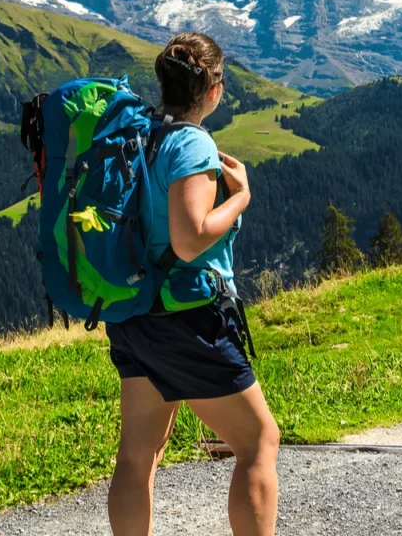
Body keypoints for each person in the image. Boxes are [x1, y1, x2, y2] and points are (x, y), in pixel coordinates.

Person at [105, 32, 280, 536]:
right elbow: (189, 239)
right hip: (188, 318)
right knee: (259, 442)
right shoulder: (190, 142)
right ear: (212, 89)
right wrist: (240, 198)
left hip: (135, 314)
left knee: (139, 455)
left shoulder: (142, 137)